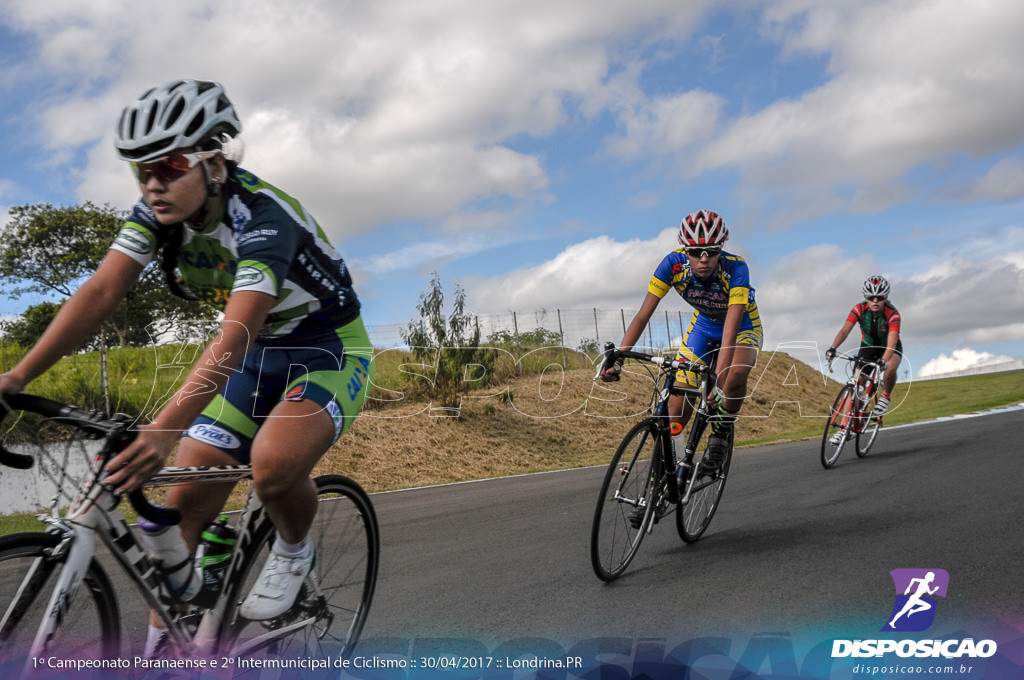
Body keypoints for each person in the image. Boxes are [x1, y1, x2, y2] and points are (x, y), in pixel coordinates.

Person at [0, 79, 374, 652]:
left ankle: (294, 548)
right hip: (257, 359)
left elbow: (236, 331)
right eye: (141, 170)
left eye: (170, 165)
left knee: (272, 465)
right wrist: (16, 377)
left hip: (326, 351)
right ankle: (167, 654)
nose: (154, 184)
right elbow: (101, 292)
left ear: (214, 161)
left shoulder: (264, 218)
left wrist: (165, 427)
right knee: (185, 504)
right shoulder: (157, 215)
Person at [601, 210, 763, 473]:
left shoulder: (736, 268)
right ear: (684, 249)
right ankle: (667, 474)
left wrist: (718, 385)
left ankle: (721, 431)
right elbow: (643, 315)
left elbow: (731, 332)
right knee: (676, 408)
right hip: (703, 328)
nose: (704, 259)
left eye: (711, 251)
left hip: (742, 326)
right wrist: (619, 357)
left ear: (721, 249)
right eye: (696, 251)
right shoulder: (672, 264)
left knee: (735, 374)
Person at [824, 275, 902, 437]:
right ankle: (845, 427)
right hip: (868, 347)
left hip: (889, 347)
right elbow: (845, 330)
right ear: (865, 297)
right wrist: (833, 348)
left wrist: (884, 360)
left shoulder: (893, 314)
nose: (875, 301)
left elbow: (892, 343)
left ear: (886, 298)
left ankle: (886, 397)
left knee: (891, 367)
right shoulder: (859, 309)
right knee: (855, 386)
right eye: (870, 297)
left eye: (879, 298)